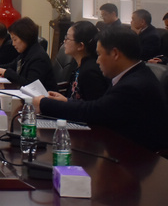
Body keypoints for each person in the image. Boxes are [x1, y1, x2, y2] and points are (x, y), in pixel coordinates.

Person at [34, 26, 168, 152]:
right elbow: (100, 106)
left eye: (99, 54)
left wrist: (44, 104)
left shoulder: (132, 86)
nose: (97, 61)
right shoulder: (134, 74)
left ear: (115, 54)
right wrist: (66, 102)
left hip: (136, 157)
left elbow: (94, 112)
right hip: (121, 147)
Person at [0, 17, 57, 91]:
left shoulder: (38, 57)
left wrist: (8, 73)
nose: (13, 44)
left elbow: (31, 86)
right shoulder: (26, 52)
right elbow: (11, 66)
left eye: (15, 39)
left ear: (25, 37)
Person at [51, 21, 109, 101]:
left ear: (80, 46)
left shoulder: (90, 71)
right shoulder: (79, 64)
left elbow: (92, 105)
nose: (64, 41)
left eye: (67, 38)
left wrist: (65, 101)